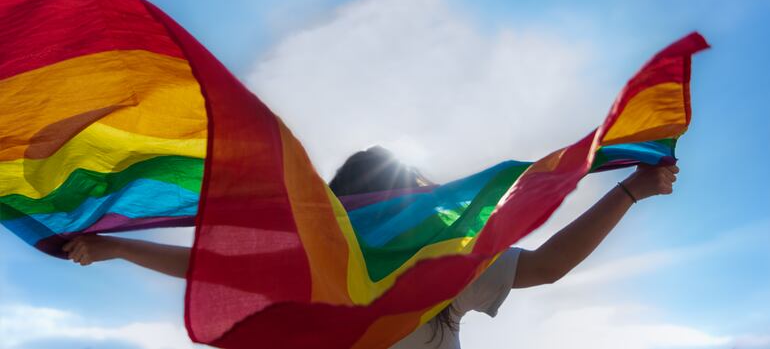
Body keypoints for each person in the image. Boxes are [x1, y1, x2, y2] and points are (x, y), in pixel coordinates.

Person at [63, 145, 679, 349]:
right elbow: (217, 265)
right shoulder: (327, 264)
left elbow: (546, 267)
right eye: (408, 191)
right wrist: (629, 190)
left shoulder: (440, 263)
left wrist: (629, 188)